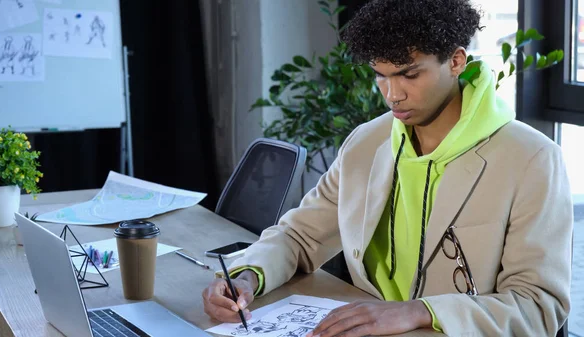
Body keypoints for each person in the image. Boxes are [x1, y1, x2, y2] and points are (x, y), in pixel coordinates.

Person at [202, 0, 573, 336]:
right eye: (380, 75)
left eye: (409, 75)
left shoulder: (531, 158)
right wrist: (248, 276)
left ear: (456, 61)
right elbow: (300, 236)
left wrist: (419, 312)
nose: (392, 94)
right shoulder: (367, 142)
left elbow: (537, 306)